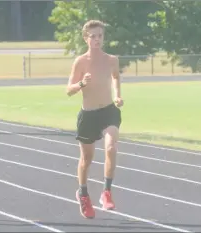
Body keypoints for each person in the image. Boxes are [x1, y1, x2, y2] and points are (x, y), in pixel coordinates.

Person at [66, 20, 124, 219]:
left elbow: (116, 77)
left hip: (109, 111)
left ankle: (106, 191)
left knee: (111, 147)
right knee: (86, 159)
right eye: (93, 36)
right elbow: (68, 91)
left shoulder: (111, 60)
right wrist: (81, 83)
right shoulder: (80, 62)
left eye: (100, 35)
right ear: (86, 38)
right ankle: (83, 193)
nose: (97, 39)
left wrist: (117, 95)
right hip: (88, 115)